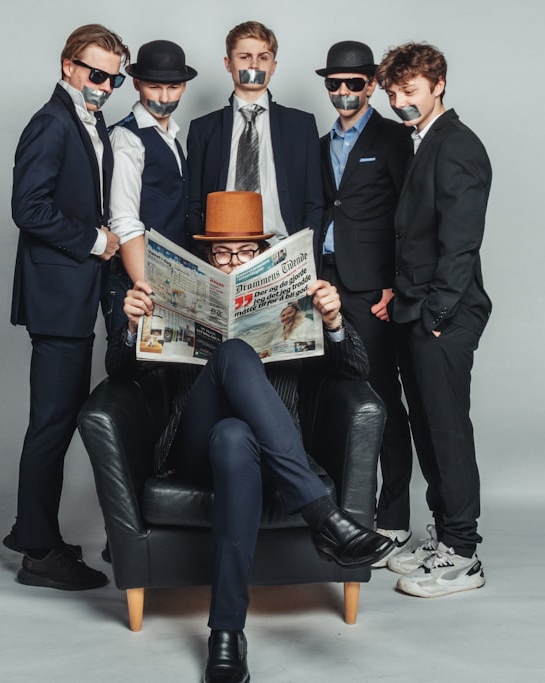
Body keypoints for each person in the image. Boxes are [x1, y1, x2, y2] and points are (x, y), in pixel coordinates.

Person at [107, 191, 393, 683]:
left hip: (265, 454)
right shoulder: (177, 294)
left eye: (244, 253)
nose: (232, 261)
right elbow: (119, 374)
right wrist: (131, 327)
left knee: (236, 437)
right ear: (209, 257)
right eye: (222, 253)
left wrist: (333, 321)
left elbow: (358, 371)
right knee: (234, 353)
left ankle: (225, 635)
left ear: (263, 254)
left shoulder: (293, 297)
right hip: (192, 450)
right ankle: (323, 516)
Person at [4, 24, 130, 591]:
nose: (104, 85)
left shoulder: (89, 121)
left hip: (77, 297)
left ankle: (34, 532)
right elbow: (28, 208)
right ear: (68, 67)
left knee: (56, 422)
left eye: (114, 77)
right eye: (95, 73)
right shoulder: (51, 123)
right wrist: (94, 241)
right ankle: (38, 553)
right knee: (52, 426)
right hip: (58, 301)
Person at [376, 43, 493, 598]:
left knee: (447, 430)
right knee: (425, 425)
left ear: (439, 84)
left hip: (444, 315)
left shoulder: (458, 146)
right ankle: (444, 536)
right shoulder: (422, 142)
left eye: (411, 92)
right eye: (393, 93)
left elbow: (462, 244)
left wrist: (438, 315)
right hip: (418, 310)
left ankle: (464, 555)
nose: (400, 103)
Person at [316, 40, 417, 566]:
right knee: (331, 393)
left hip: (371, 289)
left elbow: (410, 214)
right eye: (335, 83)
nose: (344, 92)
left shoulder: (395, 138)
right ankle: (342, 514)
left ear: (373, 85)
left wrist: (396, 283)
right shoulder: (318, 142)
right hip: (322, 283)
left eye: (355, 83)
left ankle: (394, 516)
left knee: (380, 398)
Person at [186, 21, 322, 247]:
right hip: (223, 254)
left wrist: (305, 254)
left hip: (284, 250)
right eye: (245, 56)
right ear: (228, 64)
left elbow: (314, 203)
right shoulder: (203, 129)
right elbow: (193, 204)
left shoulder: (301, 125)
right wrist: (205, 255)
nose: (254, 64)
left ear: (273, 66)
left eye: (263, 57)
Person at [104, 39, 197, 336]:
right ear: (137, 84)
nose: (164, 97)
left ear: (183, 86)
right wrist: (150, 291)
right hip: (140, 283)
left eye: (172, 88)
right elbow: (125, 222)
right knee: (135, 373)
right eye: (154, 87)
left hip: (174, 282)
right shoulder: (127, 138)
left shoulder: (172, 137)